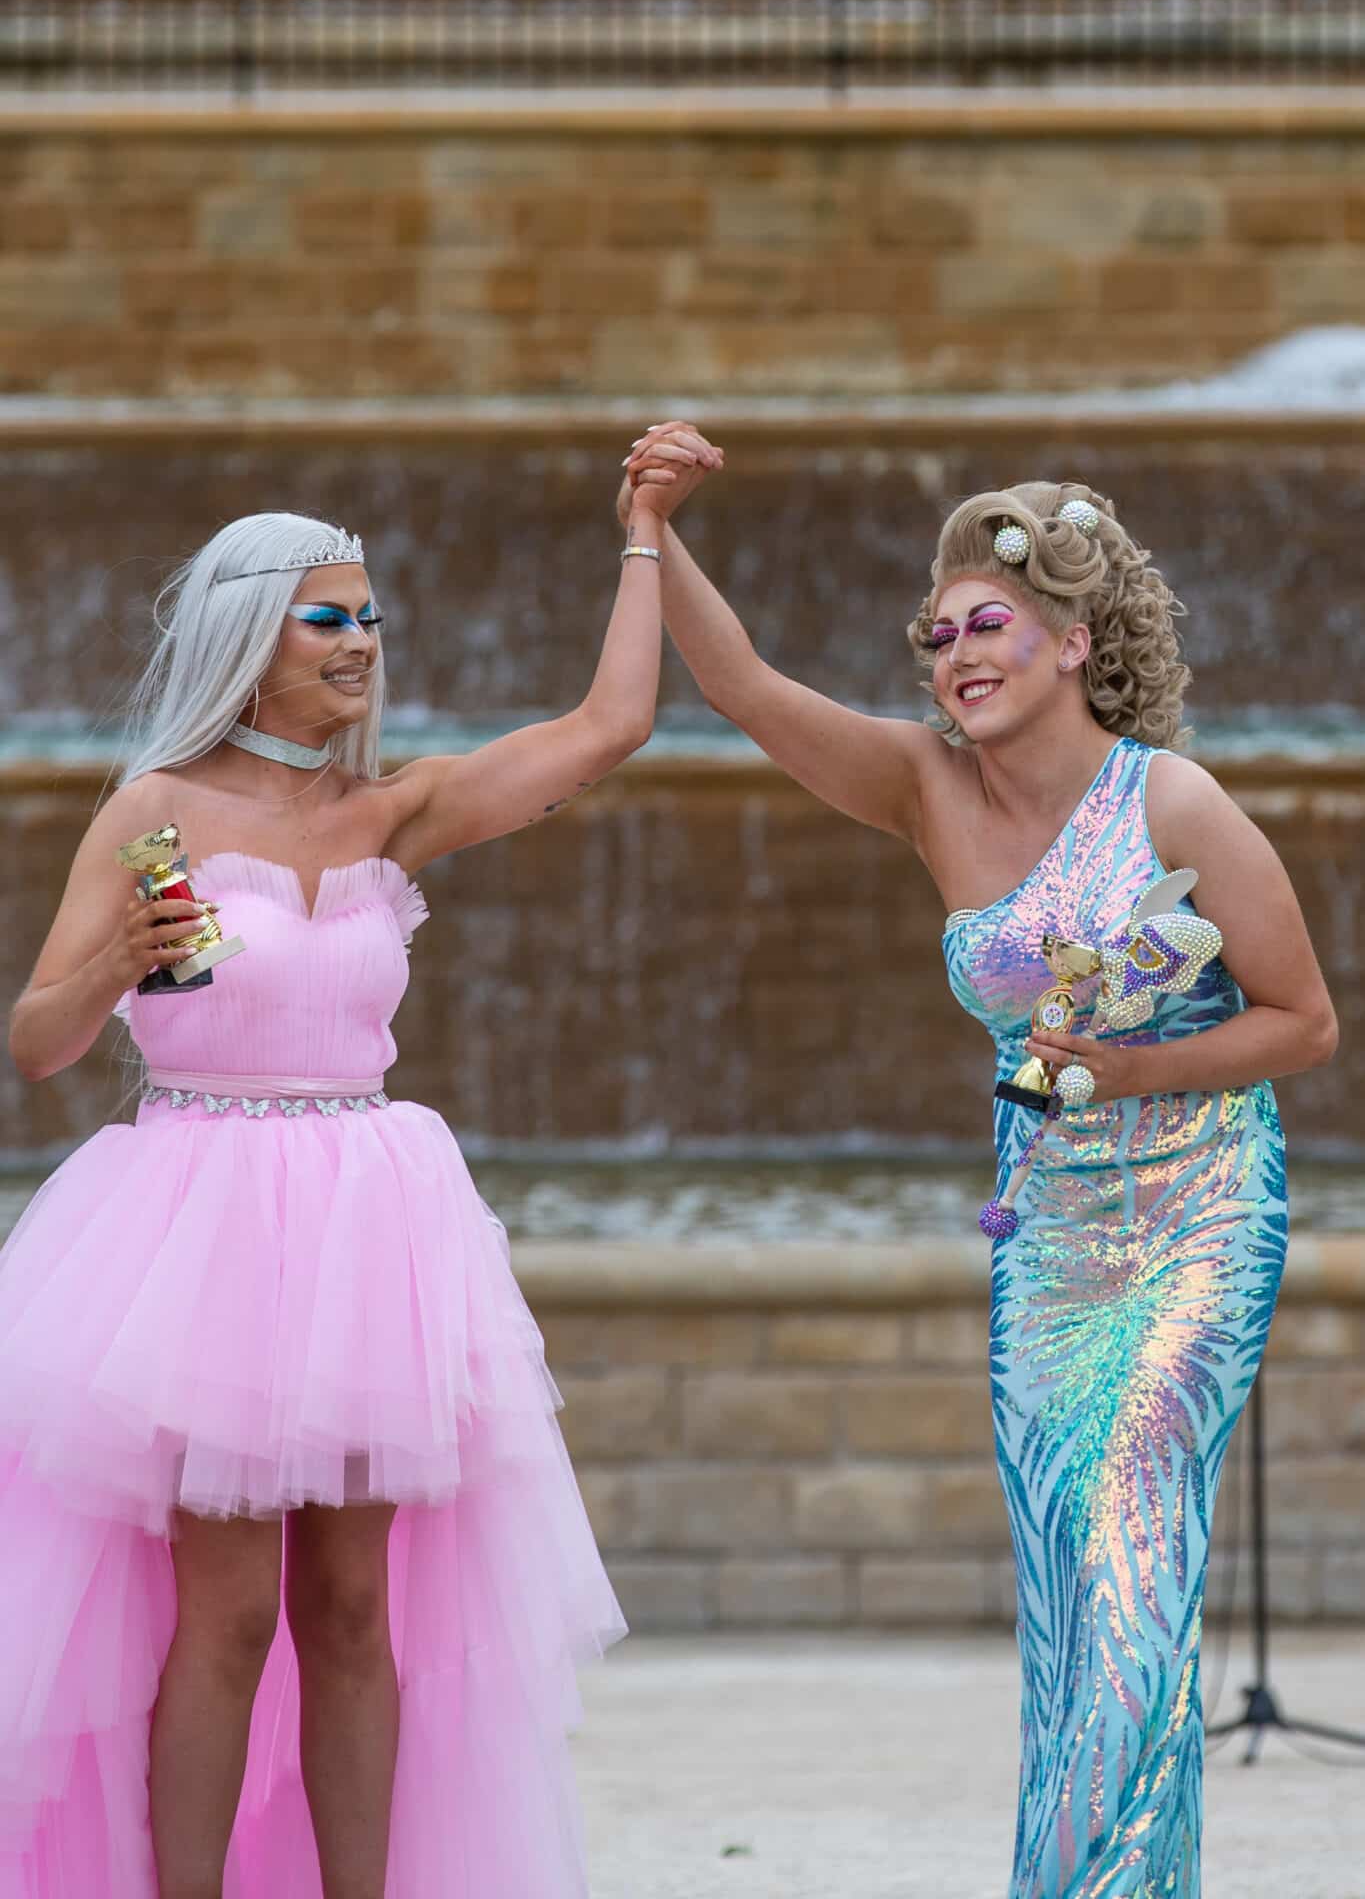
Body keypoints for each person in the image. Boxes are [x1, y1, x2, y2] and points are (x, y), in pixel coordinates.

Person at [619, 427, 1338, 1898]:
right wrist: (649, 525)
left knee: (1135, 1573)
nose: (953, 653)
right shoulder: (921, 789)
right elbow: (742, 687)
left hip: (1196, 1217)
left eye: (985, 624)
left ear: (1072, 641)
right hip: (1047, 1239)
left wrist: (1127, 1069)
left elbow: (1303, 1022)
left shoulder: (1171, 804)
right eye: (934, 635)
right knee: (1071, 1592)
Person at [0, 470, 715, 1896]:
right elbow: (38, 1042)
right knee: (221, 1619)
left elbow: (608, 728)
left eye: (370, 617)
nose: (360, 640)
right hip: (199, 1225)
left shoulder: (395, 810)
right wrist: (119, 957)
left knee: (347, 1610)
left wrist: (648, 533)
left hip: (369, 1222)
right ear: (251, 633)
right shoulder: (158, 809)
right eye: (327, 616)